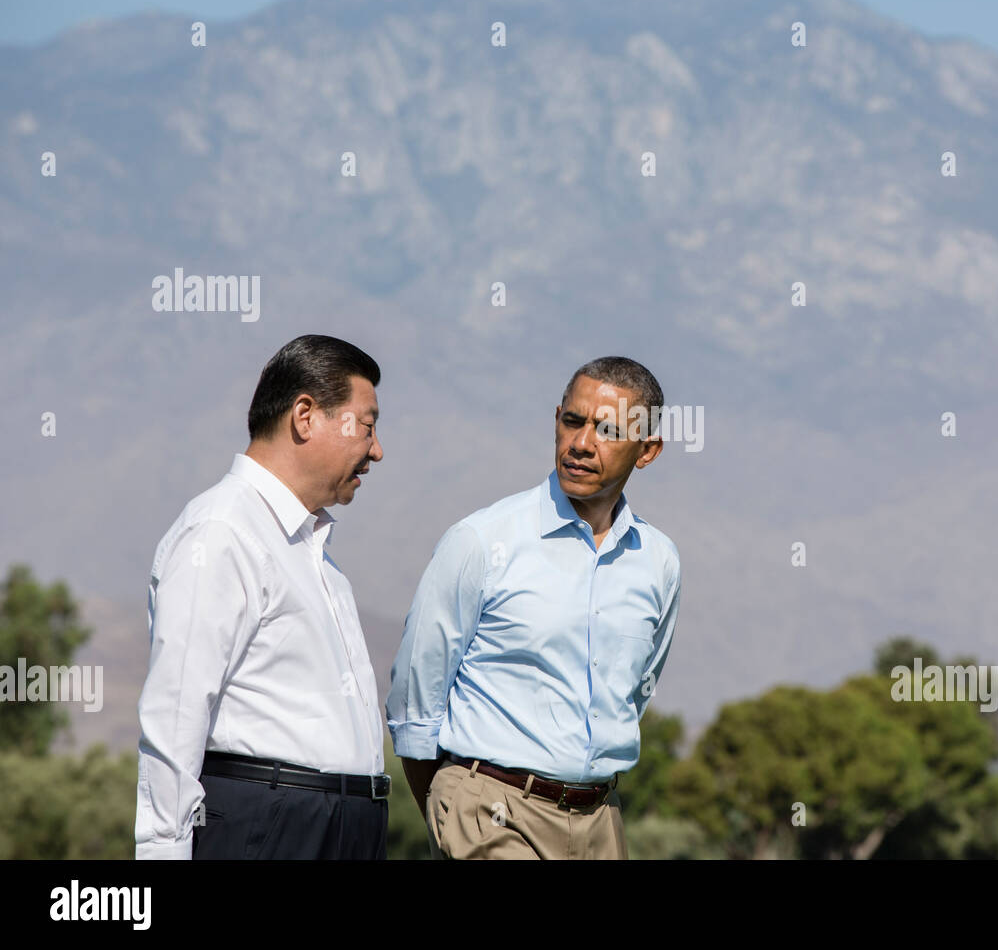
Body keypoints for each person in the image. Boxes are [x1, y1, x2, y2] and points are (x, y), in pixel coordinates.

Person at [388, 356, 682, 859]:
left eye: (608, 429)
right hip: (490, 811)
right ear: (556, 419)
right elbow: (416, 701)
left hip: (601, 820)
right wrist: (452, 808)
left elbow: (634, 696)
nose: (582, 444)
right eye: (573, 421)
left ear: (647, 450)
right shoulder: (480, 541)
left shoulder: (658, 561)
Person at [135, 334, 390, 860]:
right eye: (367, 425)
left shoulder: (314, 551)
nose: (377, 449)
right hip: (270, 828)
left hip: (341, 829)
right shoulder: (221, 533)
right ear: (305, 415)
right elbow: (175, 716)